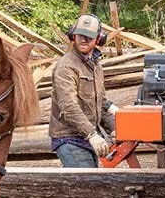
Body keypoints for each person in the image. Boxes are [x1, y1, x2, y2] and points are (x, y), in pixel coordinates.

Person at [49, 14, 117, 168]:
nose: (83, 40)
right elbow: (68, 107)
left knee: (90, 184)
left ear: (99, 39)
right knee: (88, 187)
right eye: (80, 35)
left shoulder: (95, 66)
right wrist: (91, 134)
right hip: (70, 138)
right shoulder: (66, 67)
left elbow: (102, 103)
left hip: (87, 138)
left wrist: (116, 128)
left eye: (89, 36)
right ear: (73, 34)